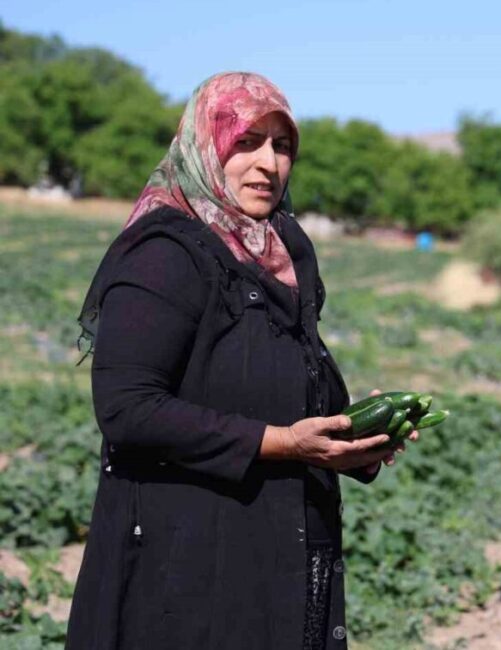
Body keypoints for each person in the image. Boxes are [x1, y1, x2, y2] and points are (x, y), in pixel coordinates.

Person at [67, 72, 411, 650]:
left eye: (282, 146)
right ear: (205, 147)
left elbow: (284, 379)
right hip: (184, 560)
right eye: (245, 143)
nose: (268, 164)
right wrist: (282, 442)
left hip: (279, 545)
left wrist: (353, 443)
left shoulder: (285, 251)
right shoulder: (165, 255)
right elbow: (128, 409)